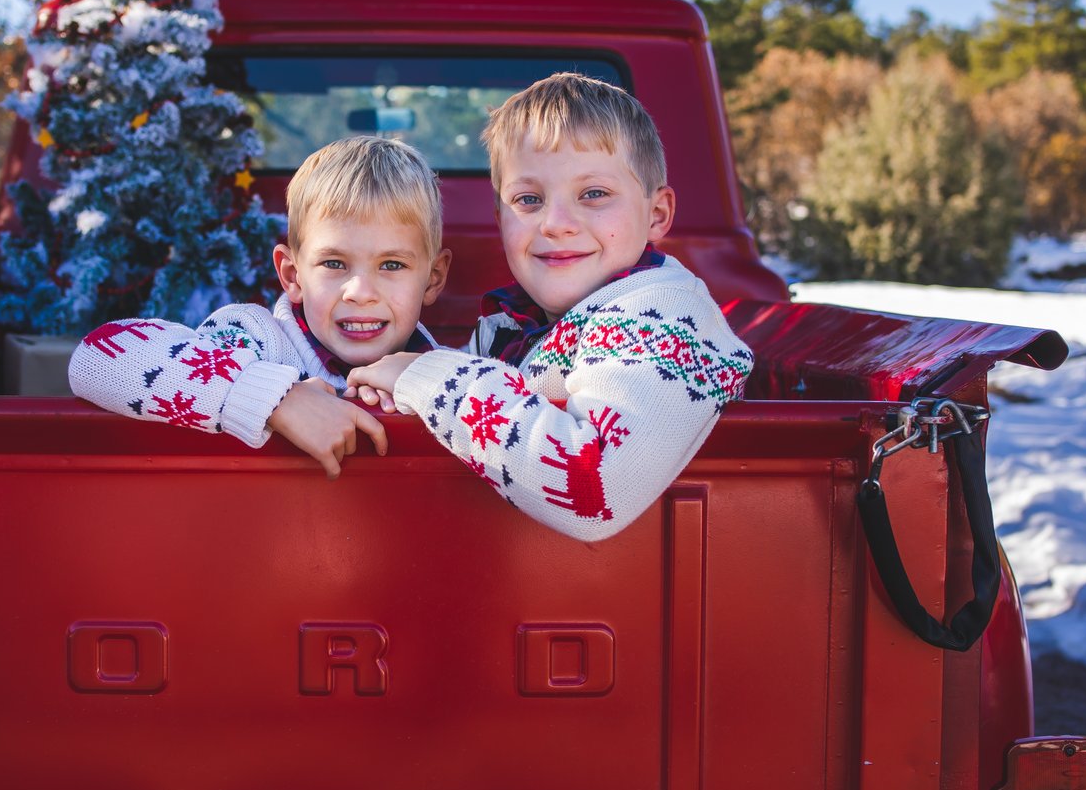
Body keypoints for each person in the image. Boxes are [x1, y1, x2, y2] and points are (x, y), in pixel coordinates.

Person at [346, 72, 753, 541]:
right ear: (500, 219)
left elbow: (597, 486)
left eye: (593, 194)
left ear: (657, 214)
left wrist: (424, 374)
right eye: (529, 200)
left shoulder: (664, 314)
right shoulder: (509, 326)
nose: (556, 223)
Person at [69, 136, 452, 479]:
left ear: (433, 278)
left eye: (392, 265)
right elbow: (99, 357)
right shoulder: (257, 342)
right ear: (293, 275)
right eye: (334, 264)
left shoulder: (453, 373)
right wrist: (276, 398)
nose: (360, 292)